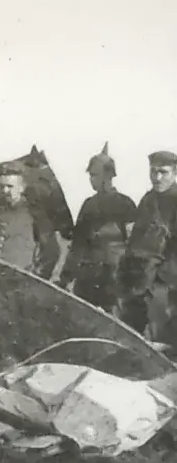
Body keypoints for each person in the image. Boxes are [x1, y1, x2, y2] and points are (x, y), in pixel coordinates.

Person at [56, 143, 137, 312]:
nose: (91, 179)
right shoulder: (89, 205)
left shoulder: (126, 205)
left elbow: (133, 243)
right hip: (89, 276)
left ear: (107, 176)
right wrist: (65, 278)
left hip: (113, 277)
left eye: (94, 175)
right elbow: (78, 245)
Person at [116, 150, 177, 340]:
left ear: (175, 173)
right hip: (139, 278)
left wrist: (160, 280)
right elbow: (136, 239)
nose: (157, 178)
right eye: (153, 172)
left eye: (163, 172)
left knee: (158, 335)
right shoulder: (148, 200)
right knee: (128, 330)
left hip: (164, 284)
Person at [0, 161, 60, 279]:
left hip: (21, 281)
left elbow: (51, 251)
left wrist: (36, 276)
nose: (5, 191)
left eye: (10, 186)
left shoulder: (35, 214)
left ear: (22, 188)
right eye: (2, 186)